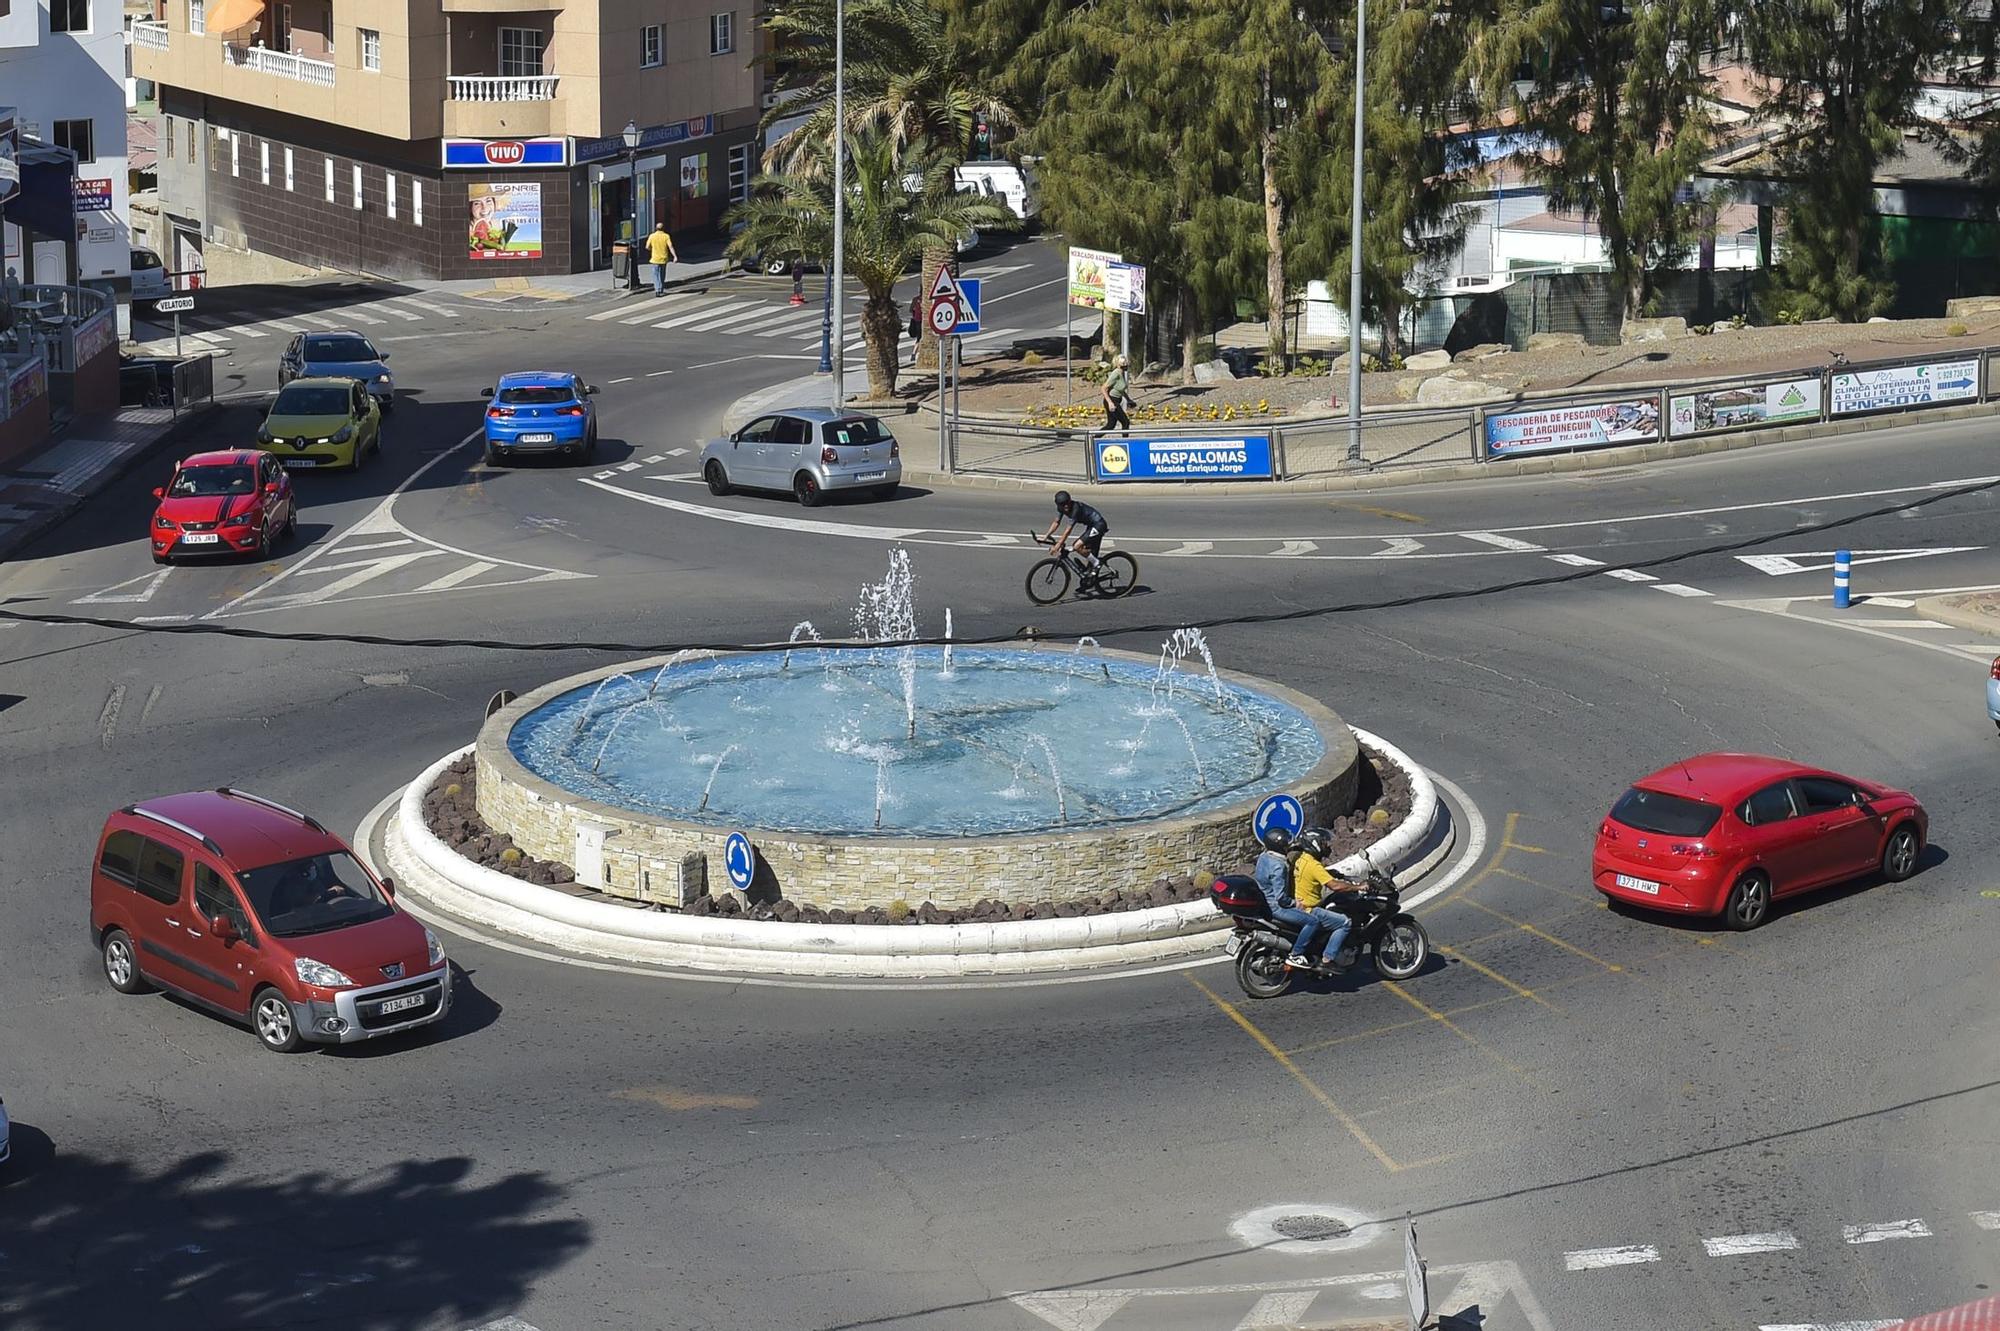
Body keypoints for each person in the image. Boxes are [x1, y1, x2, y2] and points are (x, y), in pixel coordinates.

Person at [1253, 827, 1324, 969]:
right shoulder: (1279, 866)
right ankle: (1296, 954)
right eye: (1285, 844)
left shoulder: (1264, 856)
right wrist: (1295, 903)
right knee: (1313, 922)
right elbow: (1281, 898)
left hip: (1265, 902)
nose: (1288, 845)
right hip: (1276, 908)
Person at [1292, 828, 1352, 971]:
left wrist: (1329, 873)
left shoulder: (1301, 859)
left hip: (1299, 906)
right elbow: (1335, 886)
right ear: (1315, 844)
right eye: (1324, 843)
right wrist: (1360, 887)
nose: (1327, 846)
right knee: (1345, 923)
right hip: (1311, 910)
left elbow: (1314, 875)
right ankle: (1327, 959)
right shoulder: (1314, 865)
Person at [1042, 491, 1109, 567]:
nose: (1066, 506)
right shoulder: (1061, 508)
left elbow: (1068, 530)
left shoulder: (1075, 509)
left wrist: (1058, 544)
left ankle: (1097, 563)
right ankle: (1091, 567)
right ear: (1058, 505)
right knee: (1086, 550)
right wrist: (1046, 536)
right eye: (1063, 504)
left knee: (1077, 546)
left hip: (1099, 525)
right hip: (1091, 525)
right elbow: (1056, 522)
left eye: (1067, 503)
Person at [1100, 354, 1133, 433]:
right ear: (1119, 365)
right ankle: (1125, 442)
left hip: (1116, 400)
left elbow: (1120, 389)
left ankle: (1094, 438)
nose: (1127, 366)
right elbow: (1104, 388)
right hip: (1112, 400)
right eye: (1125, 365)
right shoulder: (1116, 374)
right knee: (1125, 422)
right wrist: (1110, 403)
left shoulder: (1121, 373)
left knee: (1111, 425)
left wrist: (1128, 400)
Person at [646, 223, 678, 296]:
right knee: (662, 274)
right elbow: (671, 247)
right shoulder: (666, 236)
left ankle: (657, 290)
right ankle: (661, 289)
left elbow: (647, 247)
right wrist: (675, 256)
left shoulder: (652, 236)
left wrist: (652, 249)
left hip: (655, 258)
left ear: (656, 228)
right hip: (664, 258)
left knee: (655, 275)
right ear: (663, 228)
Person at [906, 296, 923, 365]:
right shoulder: (926, 299)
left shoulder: (915, 299)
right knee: (919, 339)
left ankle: (914, 353)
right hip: (922, 322)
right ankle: (914, 353)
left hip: (916, 321)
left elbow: (910, 310)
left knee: (918, 338)